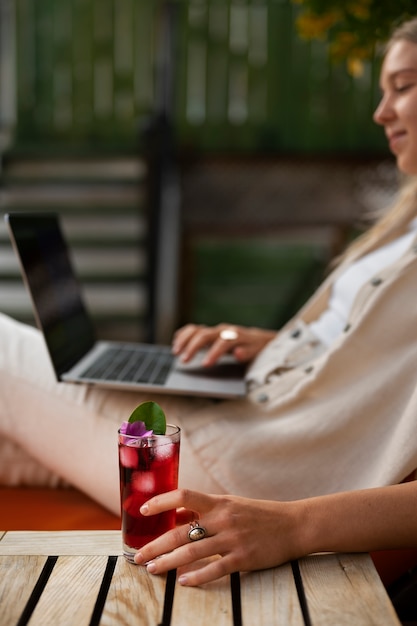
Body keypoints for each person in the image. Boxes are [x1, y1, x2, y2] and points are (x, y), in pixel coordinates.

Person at [1, 15, 417, 576]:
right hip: (246, 421)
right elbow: (368, 355)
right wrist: (271, 346)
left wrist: (293, 525)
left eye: (405, 86)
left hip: (251, 477)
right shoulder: (405, 222)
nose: (381, 112)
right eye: (383, 90)